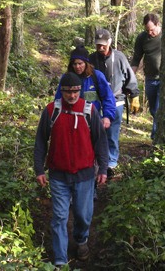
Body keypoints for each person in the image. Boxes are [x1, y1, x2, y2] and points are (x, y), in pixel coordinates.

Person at [34, 72, 109, 266]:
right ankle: (60, 261)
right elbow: (41, 141)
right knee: (59, 217)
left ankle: (81, 239)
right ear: (62, 92)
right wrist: (39, 169)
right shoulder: (52, 110)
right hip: (58, 174)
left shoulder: (89, 110)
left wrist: (102, 169)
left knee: (83, 215)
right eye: (68, 92)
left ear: (80, 91)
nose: (72, 96)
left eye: (75, 92)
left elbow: (101, 141)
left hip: (84, 174)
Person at [89, 28, 140, 175]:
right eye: (98, 45)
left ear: (110, 42)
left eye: (103, 44)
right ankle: (95, 161)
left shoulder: (119, 57)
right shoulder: (91, 59)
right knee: (95, 132)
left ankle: (111, 163)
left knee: (112, 133)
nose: (101, 47)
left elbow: (130, 77)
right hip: (96, 101)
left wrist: (134, 95)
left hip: (116, 99)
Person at [55, 45, 116, 130]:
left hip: (93, 121)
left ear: (86, 63)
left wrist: (107, 117)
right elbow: (58, 99)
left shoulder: (97, 76)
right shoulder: (66, 78)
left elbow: (108, 97)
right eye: (74, 64)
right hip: (70, 121)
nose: (77, 67)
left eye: (80, 63)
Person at [131, 13, 162, 140]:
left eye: (152, 30)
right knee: (154, 109)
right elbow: (136, 58)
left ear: (158, 24)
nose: (150, 33)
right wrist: (131, 75)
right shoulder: (142, 38)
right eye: (147, 30)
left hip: (164, 78)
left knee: (160, 108)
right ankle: (157, 134)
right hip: (150, 78)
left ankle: (156, 137)